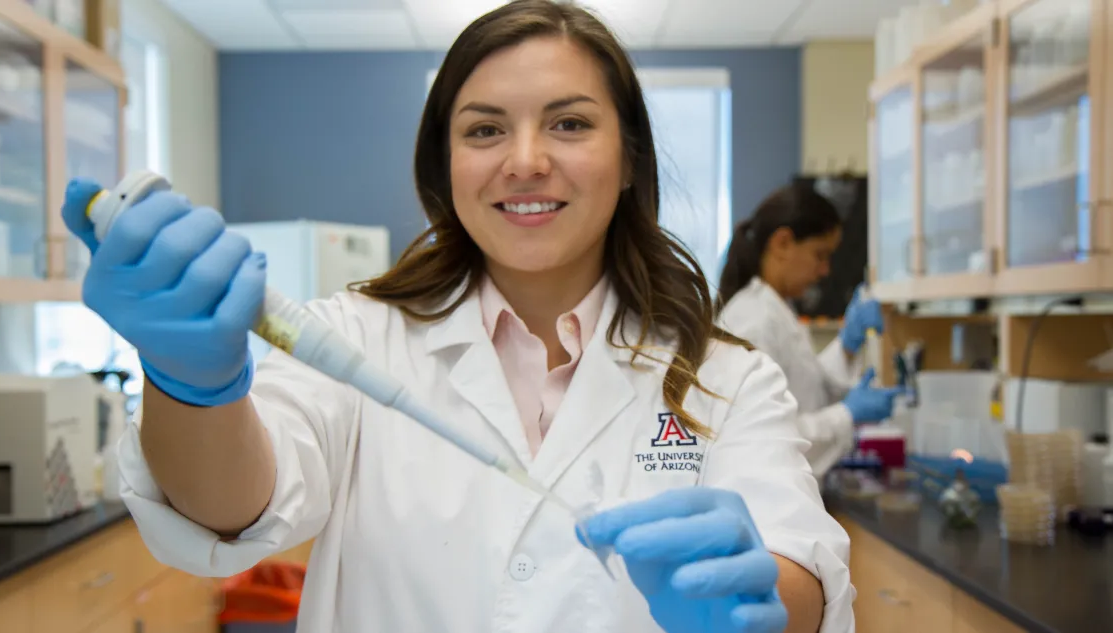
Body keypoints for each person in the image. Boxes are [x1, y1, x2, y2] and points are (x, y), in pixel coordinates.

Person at [62, 2, 854, 631]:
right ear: (446, 166)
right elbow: (234, 507)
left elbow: (804, 571)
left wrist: (759, 605)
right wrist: (189, 384)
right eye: (484, 129)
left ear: (630, 159)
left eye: (570, 122)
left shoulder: (726, 374)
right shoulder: (352, 335)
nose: (525, 159)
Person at [716, 182, 901, 480]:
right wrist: (847, 415)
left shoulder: (775, 309)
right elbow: (766, 439)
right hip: (769, 504)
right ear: (783, 243)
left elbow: (803, 391)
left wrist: (847, 344)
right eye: (820, 255)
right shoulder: (753, 321)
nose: (825, 270)